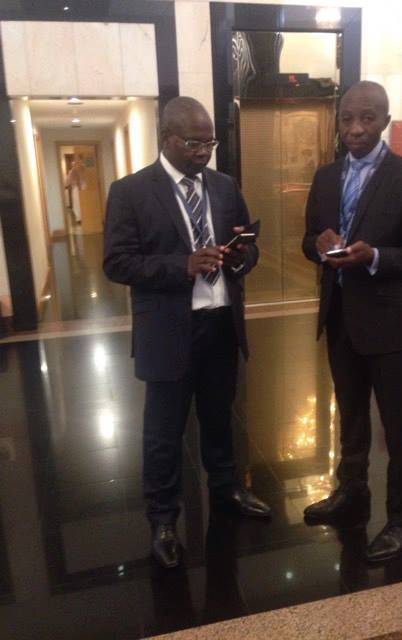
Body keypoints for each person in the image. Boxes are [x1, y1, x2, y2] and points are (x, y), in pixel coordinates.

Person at [103, 96, 271, 569]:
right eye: (193, 144)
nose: (203, 152)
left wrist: (242, 257)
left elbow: (249, 247)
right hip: (168, 333)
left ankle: (227, 490)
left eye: (209, 143)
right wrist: (183, 265)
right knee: (163, 433)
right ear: (167, 138)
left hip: (220, 326)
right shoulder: (131, 192)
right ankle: (162, 520)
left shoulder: (224, 186)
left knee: (220, 419)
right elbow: (117, 263)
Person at [302, 81, 402, 562]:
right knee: (351, 413)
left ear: (384, 121)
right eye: (347, 119)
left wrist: (375, 256)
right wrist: (318, 244)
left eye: (367, 118)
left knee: (397, 424)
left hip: (390, 324)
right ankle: (352, 492)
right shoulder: (325, 177)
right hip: (340, 316)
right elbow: (307, 239)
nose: (356, 129)